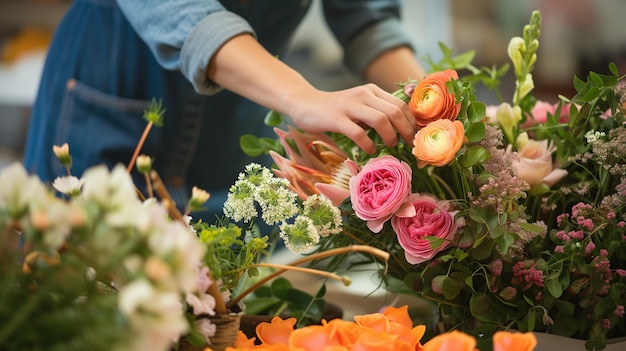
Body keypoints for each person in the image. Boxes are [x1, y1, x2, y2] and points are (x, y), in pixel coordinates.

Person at [23, 0, 425, 220]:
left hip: (238, 113)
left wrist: (430, 111)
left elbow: (367, 19)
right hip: (117, 87)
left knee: (225, 304)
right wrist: (302, 97)